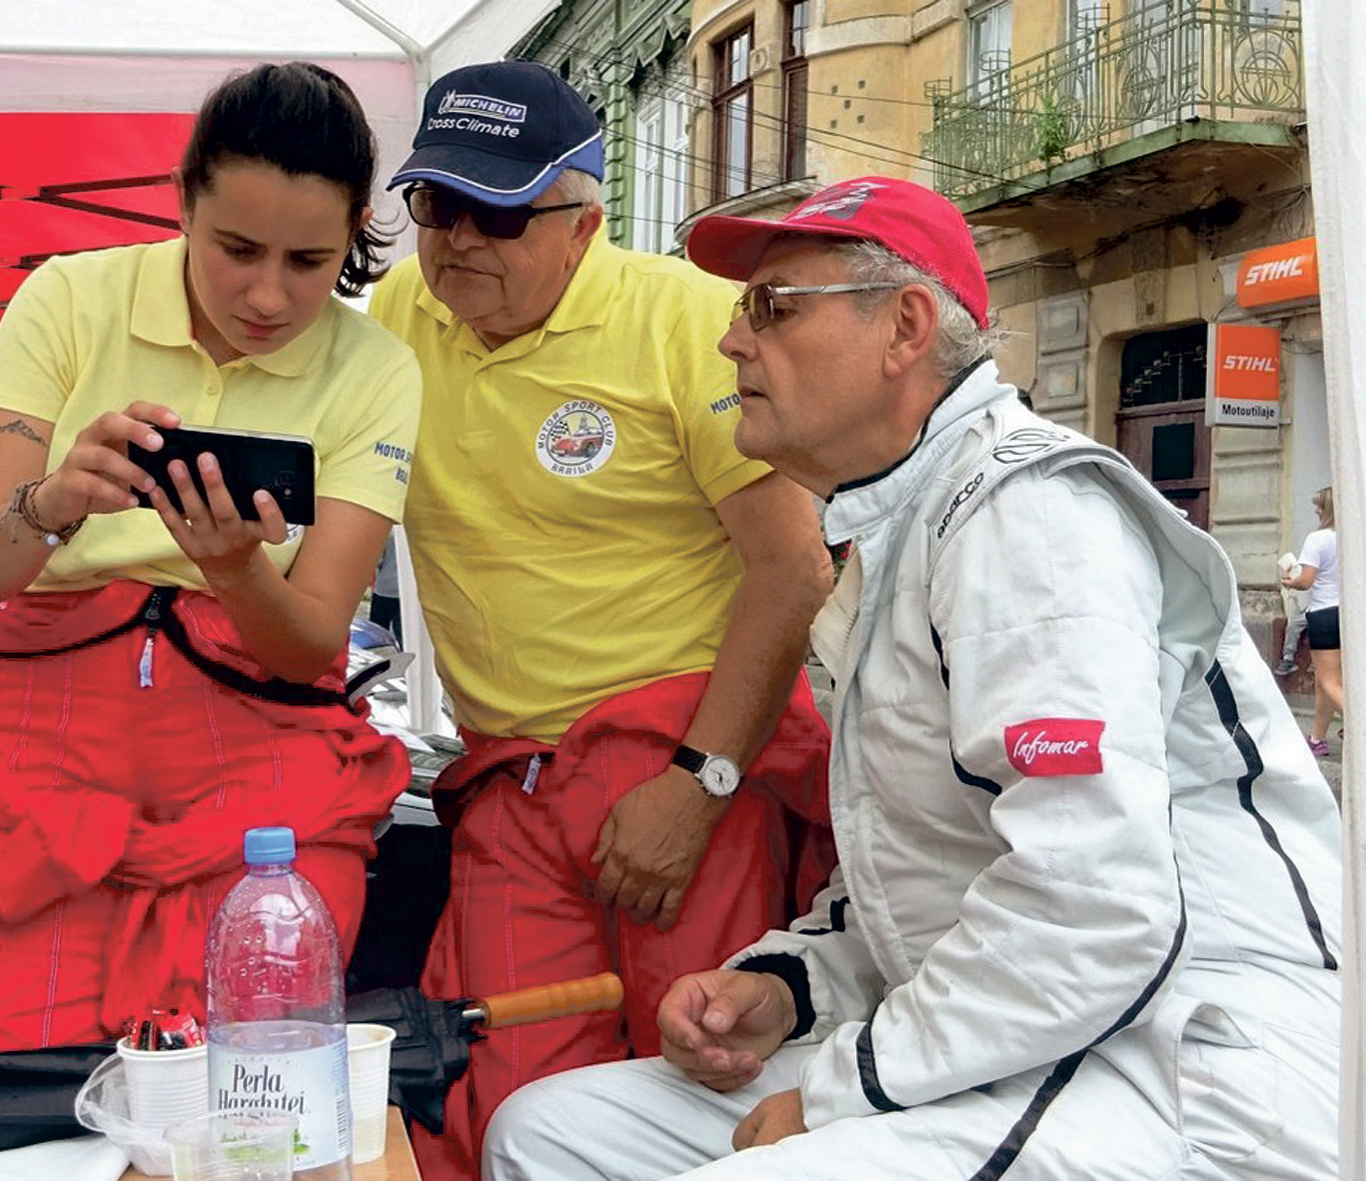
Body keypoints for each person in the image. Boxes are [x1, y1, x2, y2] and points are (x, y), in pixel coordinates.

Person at [484, 177, 1343, 1180]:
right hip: (1037, 1029)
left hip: (1194, 1058)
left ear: (904, 326)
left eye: (770, 306)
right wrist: (789, 985)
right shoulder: (900, 523)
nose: (730, 340)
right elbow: (937, 875)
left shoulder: (1024, 510)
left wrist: (839, 1090)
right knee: (546, 1129)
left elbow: (1091, 905)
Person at [368, 60, 835, 1181]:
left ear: (583, 221)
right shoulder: (396, 316)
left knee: (699, 1083)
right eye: (436, 203)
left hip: (681, 758)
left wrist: (696, 785)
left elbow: (791, 570)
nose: (457, 239)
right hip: (508, 779)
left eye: (497, 212)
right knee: (502, 1100)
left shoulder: (685, 321)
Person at [0, 63, 421, 1061]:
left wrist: (236, 570)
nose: (267, 295)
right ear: (182, 199)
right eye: (235, 248)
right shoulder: (69, 298)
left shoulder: (374, 367)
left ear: (357, 231)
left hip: (263, 748)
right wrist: (53, 502)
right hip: (41, 750)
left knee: (255, 1086)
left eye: (309, 260)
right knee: (6, 1084)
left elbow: (310, 642)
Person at [1283, 486, 1344, 755]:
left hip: (1323, 614)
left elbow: (1306, 581)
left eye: (1320, 506)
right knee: (1325, 682)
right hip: (1348, 614)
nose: (1316, 510)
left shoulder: (1317, 539)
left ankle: (1359, 725)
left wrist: (1290, 581)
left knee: (1329, 682)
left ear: (1328, 509)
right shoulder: (1354, 536)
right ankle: (1317, 739)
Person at [1274, 549, 1307, 676]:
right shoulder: (1287, 585)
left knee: (1294, 625)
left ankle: (1289, 659)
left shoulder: (1299, 575)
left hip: (1310, 610)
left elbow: (1303, 600)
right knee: (1292, 626)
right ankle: (1288, 659)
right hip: (1301, 613)